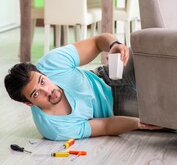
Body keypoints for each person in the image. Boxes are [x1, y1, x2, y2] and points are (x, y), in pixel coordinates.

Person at [4, 33, 160, 141]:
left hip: (108, 74)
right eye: (36, 94)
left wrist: (114, 45)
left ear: (43, 74)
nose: (47, 91)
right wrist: (138, 123)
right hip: (118, 107)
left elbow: (98, 41)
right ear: (29, 103)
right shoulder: (53, 128)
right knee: (165, 112)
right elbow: (105, 126)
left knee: (156, 53)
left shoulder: (51, 63)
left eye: (42, 81)